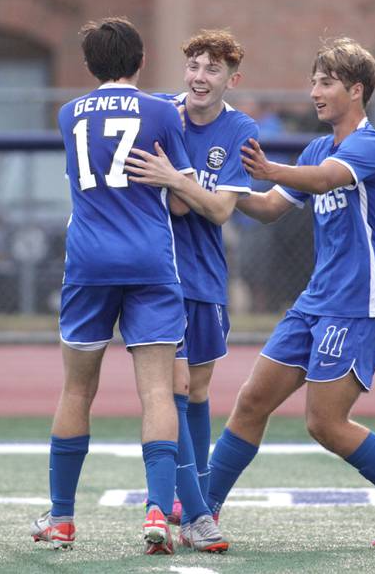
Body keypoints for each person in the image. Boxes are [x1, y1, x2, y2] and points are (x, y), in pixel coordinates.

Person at [205, 37, 375, 547]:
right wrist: (212, 185)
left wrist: (270, 169)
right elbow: (267, 208)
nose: (314, 92)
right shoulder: (316, 146)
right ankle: (202, 509)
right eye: (313, 81)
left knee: (325, 423)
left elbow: (325, 180)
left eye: (325, 83)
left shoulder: (369, 146)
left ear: (356, 89)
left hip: (357, 306)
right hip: (315, 302)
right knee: (252, 401)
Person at [30, 17, 194, 555]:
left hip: (88, 263)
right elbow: (178, 193)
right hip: (149, 260)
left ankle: (62, 519)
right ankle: (156, 511)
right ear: (141, 60)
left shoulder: (67, 112)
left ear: (88, 65)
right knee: (156, 391)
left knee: (77, 389)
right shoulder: (162, 113)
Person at [125, 29, 257, 552]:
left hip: (205, 277)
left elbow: (221, 209)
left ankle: (194, 493)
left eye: (212, 70)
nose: (200, 78)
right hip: (159, 277)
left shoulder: (239, 128)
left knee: (197, 391)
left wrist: (174, 179)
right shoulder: (161, 112)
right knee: (174, 389)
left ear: (231, 79)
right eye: (194, 67)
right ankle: (194, 511)